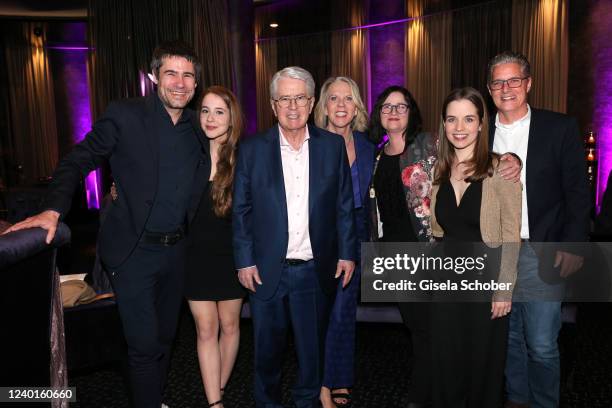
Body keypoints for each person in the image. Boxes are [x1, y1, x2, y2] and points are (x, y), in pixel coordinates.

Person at [5, 40, 210, 408]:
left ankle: (152, 398)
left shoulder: (198, 128)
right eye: (171, 74)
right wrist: (53, 209)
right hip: (133, 252)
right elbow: (77, 160)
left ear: (196, 84)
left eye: (187, 75)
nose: (179, 82)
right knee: (144, 346)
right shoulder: (125, 115)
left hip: (176, 253)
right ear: (153, 78)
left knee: (165, 339)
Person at [232, 66, 357, 408]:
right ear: (273, 105)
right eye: (284, 98)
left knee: (311, 358)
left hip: (315, 272)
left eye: (299, 97)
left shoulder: (331, 147)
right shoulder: (252, 150)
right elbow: (241, 210)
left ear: (311, 101)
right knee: (266, 357)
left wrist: (347, 254)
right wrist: (244, 260)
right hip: (266, 272)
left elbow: (344, 206)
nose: (292, 106)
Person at [486, 51, 590, 408]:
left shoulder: (558, 127)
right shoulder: (478, 131)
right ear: (489, 89)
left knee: (542, 342)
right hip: (497, 253)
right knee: (509, 337)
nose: (506, 88)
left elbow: (578, 191)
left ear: (528, 83)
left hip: (542, 249)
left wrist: (575, 246)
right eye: (498, 82)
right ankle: (517, 399)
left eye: (514, 80)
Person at [429, 87, 522, 407]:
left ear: (482, 124)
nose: (459, 127)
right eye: (452, 119)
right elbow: (438, 231)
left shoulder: (501, 170)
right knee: (447, 362)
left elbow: (511, 234)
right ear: (443, 123)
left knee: (483, 365)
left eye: (469, 119)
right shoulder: (438, 172)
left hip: (486, 282)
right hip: (445, 283)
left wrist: (504, 289)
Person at [368, 85, 435, 407]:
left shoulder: (427, 145)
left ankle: (424, 395)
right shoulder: (376, 155)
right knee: (417, 325)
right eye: (386, 107)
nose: (393, 112)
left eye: (401, 106)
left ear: (412, 113)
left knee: (429, 327)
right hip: (393, 253)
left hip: (426, 249)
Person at [313, 76, 375, 408]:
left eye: (348, 99)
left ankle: (339, 377)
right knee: (322, 312)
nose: (340, 105)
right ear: (323, 106)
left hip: (358, 239)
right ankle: (323, 381)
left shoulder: (368, 147)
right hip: (321, 239)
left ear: (356, 107)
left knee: (343, 312)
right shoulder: (311, 144)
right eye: (333, 98)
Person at [185, 86, 246, 408]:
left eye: (219, 111)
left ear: (231, 117)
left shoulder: (244, 159)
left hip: (233, 257)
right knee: (206, 328)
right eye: (205, 111)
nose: (210, 118)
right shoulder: (188, 157)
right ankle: (215, 403)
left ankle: (217, 388)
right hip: (195, 256)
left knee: (230, 325)